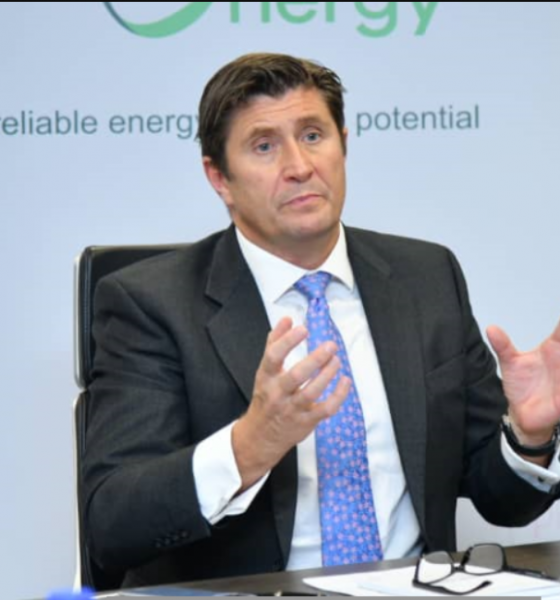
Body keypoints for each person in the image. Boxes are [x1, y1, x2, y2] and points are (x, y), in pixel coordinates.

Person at [83, 52, 560, 588]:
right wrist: (249, 446)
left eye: (313, 135)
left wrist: (529, 435)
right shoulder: (151, 303)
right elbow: (112, 524)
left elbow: (502, 500)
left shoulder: (427, 278)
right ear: (219, 177)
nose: (299, 166)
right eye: (264, 146)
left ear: (343, 144)